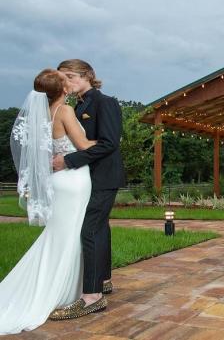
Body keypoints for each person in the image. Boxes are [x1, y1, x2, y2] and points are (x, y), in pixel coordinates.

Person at [0, 69, 96, 334]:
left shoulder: (41, 113)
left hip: (58, 181)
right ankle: (61, 292)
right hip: (74, 180)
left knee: (59, 235)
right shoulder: (64, 112)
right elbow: (83, 145)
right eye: (66, 80)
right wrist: (109, 142)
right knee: (71, 236)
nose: (70, 82)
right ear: (64, 90)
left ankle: (63, 287)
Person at [50, 59, 125, 319]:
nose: (66, 82)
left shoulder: (105, 102)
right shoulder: (75, 106)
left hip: (104, 176)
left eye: (70, 76)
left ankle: (92, 297)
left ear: (88, 75)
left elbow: (109, 144)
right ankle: (103, 280)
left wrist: (68, 161)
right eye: (62, 78)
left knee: (90, 229)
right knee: (99, 227)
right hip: (86, 179)